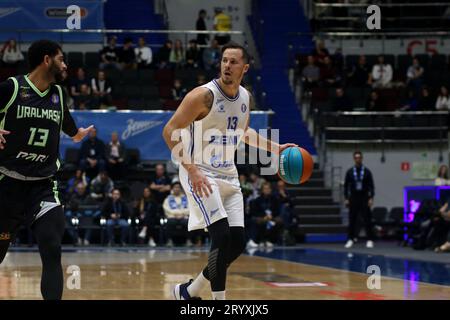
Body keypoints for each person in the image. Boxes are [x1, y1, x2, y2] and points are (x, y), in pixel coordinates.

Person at [162, 42, 297, 300]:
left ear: (244, 68)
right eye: (224, 60)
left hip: (229, 175)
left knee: (236, 244)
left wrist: (276, 148)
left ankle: (188, 291)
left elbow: (243, 133)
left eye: (233, 62)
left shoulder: (245, 97)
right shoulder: (203, 96)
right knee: (221, 237)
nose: (227, 65)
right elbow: (169, 130)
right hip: (200, 173)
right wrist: (191, 170)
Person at [0, 39, 94, 300]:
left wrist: (78, 134)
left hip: (43, 186)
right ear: (46, 60)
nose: (65, 64)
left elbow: (68, 126)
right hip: (6, 184)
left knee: (52, 247)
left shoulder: (59, 94)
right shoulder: (12, 88)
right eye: (61, 59)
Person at [344, 151, 375, 249]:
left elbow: (371, 186)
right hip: (353, 197)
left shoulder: (367, 171)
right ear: (354, 159)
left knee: (367, 219)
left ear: (362, 158)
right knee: (352, 219)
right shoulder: (349, 172)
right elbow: (346, 186)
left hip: (364, 197)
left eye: (359, 158)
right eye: (356, 158)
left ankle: (369, 239)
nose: (358, 159)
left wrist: (371, 198)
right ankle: (350, 239)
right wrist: (346, 198)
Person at [248, 182, 283, 248]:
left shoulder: (275, 199)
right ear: (262, 190)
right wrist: (264, 216)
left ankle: (270, 241)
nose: (267, 190)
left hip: (272, 217)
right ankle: (259, 240)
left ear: (270, 190)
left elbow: (277, 210)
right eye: (265, 188)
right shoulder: (257, 200)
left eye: (268, 188)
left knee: (278, 221)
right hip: (262, 218)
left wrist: (272, 216)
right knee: (258, 221)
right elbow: (255, 212)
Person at [163, 182, 190, 247]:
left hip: (184, 217)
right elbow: (166, 209)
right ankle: (169, 240)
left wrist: (182, 214)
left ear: (180, 189)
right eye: (175, 187)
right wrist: (176, 214)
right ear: (172, 189)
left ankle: (188, 240)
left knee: (188, 222)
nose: (177, 189)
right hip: (172, 217)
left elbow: (190, 208)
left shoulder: (185, 198)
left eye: (178, 187)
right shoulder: (168, 198)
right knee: (170, 222)